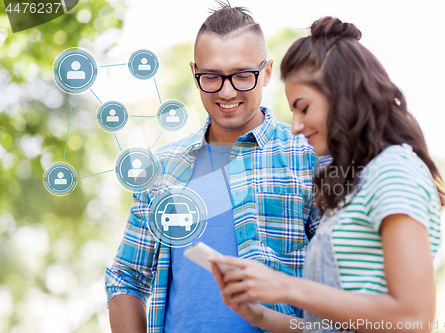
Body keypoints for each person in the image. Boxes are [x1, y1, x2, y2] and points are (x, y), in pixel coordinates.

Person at [210, 16, 445, 333]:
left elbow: (413, 319)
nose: (295, 126)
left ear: (342, 95)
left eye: (303, 108)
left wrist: (285, 286)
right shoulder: (354, 186)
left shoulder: (394, 172)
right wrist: (261, 316)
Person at [105, 3, 320, 333]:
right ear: (194, 73)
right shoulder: (163, 169)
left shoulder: (309, 158)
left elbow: (343, 285)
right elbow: (126, 277)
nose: (227, 91)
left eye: (243, 75)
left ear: (266, 72)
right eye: (212, 77)